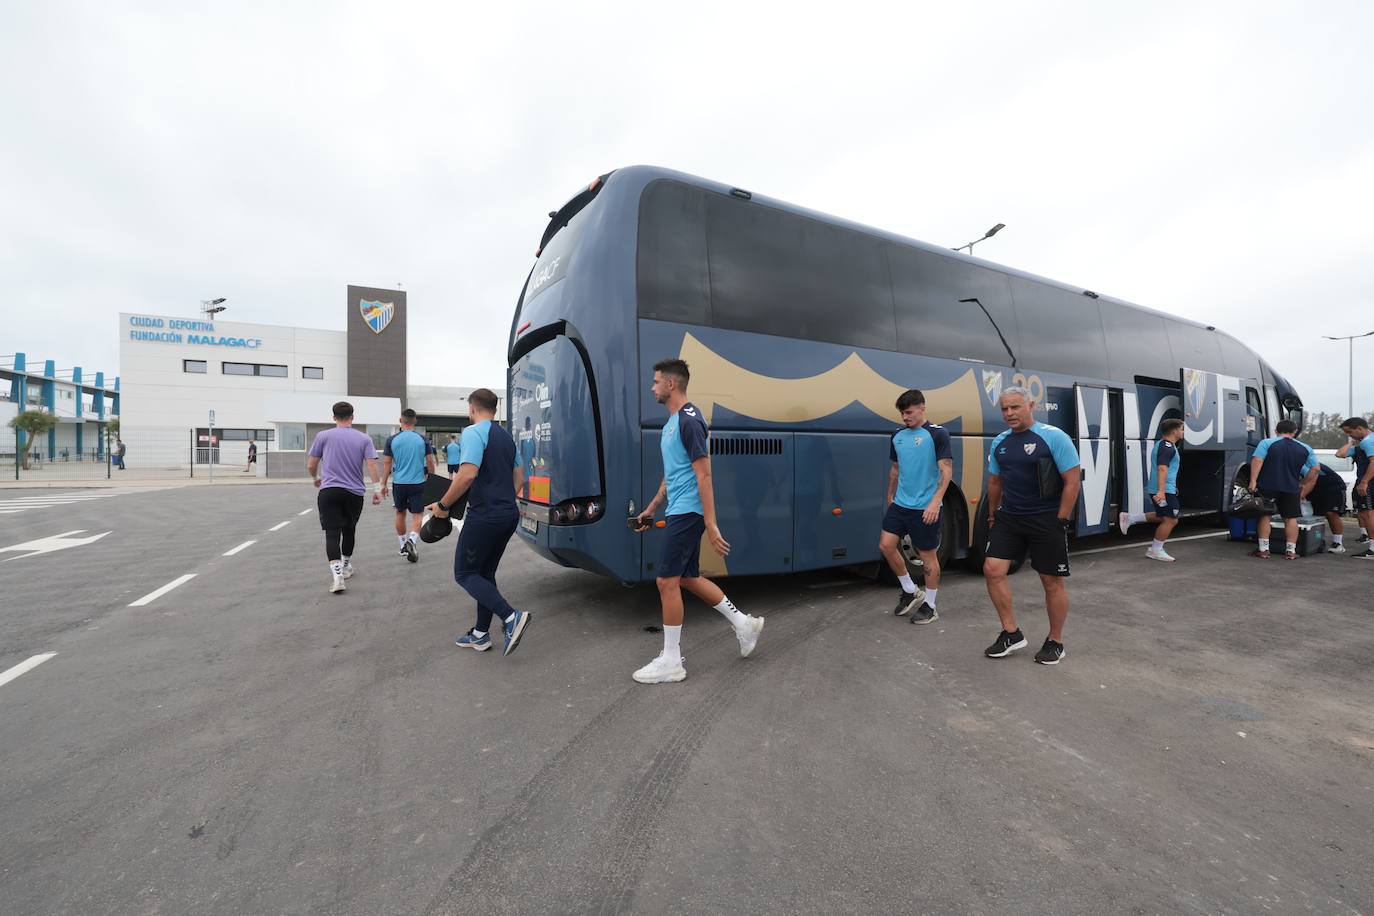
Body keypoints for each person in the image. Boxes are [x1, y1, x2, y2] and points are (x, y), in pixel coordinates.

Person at [630, 358, 765, 684]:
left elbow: (704, 474)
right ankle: (744, 624)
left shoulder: (690, 421)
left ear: (671, 385)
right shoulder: (671, 424)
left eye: (656, 381)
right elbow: (673, 474)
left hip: (689, 512)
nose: (652, 387)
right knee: (687, 578)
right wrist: (651, 508)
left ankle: (672, 661)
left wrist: (711, 522)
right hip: (678, 509)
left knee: (666, 581)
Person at [982, 387, 1082, 665]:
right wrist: (992, 514)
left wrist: (1061, 518)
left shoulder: (1053, 437)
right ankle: (1011, 633)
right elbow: (994, 482)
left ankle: (1055, 641)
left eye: (1015, 407)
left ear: (1031, 405)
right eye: (1004, 409)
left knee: (1051, 582)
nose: (1009, 414)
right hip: (1010, 518)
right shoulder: (1000, 441)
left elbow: (1072, 481)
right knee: (992, 569)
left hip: (1046, 519)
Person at [434, 389, 532, 656]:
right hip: (507, 514)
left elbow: (466, 475)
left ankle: (511, 617)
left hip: (485, 515)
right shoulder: (506, 438)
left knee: (465, 574)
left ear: (472, 408)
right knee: (484, 575)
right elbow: (520, 478)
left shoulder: (473, 432)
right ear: (495, 408)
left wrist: (442, 506)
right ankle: (480, 634)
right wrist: (503, 498)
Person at [879, 388, 952, 623]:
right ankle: (911, 590)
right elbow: (895, 469)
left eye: (909, 412)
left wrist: (936, 501)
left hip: (924, 507)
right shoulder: (897, 436)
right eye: (902, 414)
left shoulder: (937, 434)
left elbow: (946, 470)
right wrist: (890, 495)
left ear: (922, 407)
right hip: (900, 505)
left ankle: (930, 606)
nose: (905, 417)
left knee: (927, 556)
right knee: (886, 546)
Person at [307, 401, 382, 593]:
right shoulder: (364, 438)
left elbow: (311, 464)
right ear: (352, 417)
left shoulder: (323, 436)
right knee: (349, 531)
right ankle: (346, 565)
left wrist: (316, 478)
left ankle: (337, 576)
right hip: (354, 492)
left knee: (332, 534)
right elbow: (372, 465)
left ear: (333, 417)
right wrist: (377, 489)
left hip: (329, 490)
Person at [1246, 419, 1318, 559]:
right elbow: (1316, 468)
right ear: (1295, 432)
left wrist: (1253, 481)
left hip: (1267, 485)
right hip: (1291, 487)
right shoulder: (1305, 448)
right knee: (1290, 518)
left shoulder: (1266, 443)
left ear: (1276, 431)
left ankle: (1264, 549)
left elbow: (1257, 460)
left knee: (1264, 515)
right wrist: (1303, 482)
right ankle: (1291, 551)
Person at [1118, 418, 1185, 561]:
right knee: (1171, 520)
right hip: (1164, 490)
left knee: (1163, 516)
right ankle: (1156, 549)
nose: (1183, 432)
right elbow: (1162, 469)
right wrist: (1161, 491)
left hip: (1163, 489)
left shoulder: (1164, 445)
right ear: (1174, 431)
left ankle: (1130, 518)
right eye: (1182, 429)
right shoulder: (1167, 447)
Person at [381, 408, 435, 563]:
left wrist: (383, 484)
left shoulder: (392, 440)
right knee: (417, 514)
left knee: (400, 513)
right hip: (418, 483)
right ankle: (412, 540)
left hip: (399, 483)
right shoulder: (422, 439)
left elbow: (387, 464)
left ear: (400, 421)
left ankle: (403, 546)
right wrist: (432, 479)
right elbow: (430, 462)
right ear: (415, 421)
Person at [1337, 418, 1374, 559]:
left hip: (1369, 482)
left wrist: (1364, 482)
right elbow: (1340, 454)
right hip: (1368, 481)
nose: (1350, 435)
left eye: (1350, 432)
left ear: (1359, 428)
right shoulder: (1364, 443)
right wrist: (1351, 442)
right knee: (1366, 514)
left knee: (1368, 514)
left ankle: (1372, 549)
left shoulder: (1367, 441)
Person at [1300, 461, 1348, 554]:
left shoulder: (1303, 464)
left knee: (1331, 514)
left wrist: (1301, 496)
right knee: (1315, 517)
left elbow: (1312, 480)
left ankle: (1338, 543)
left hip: (1333, 487)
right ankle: (1316, 542)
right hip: (1316, 489)